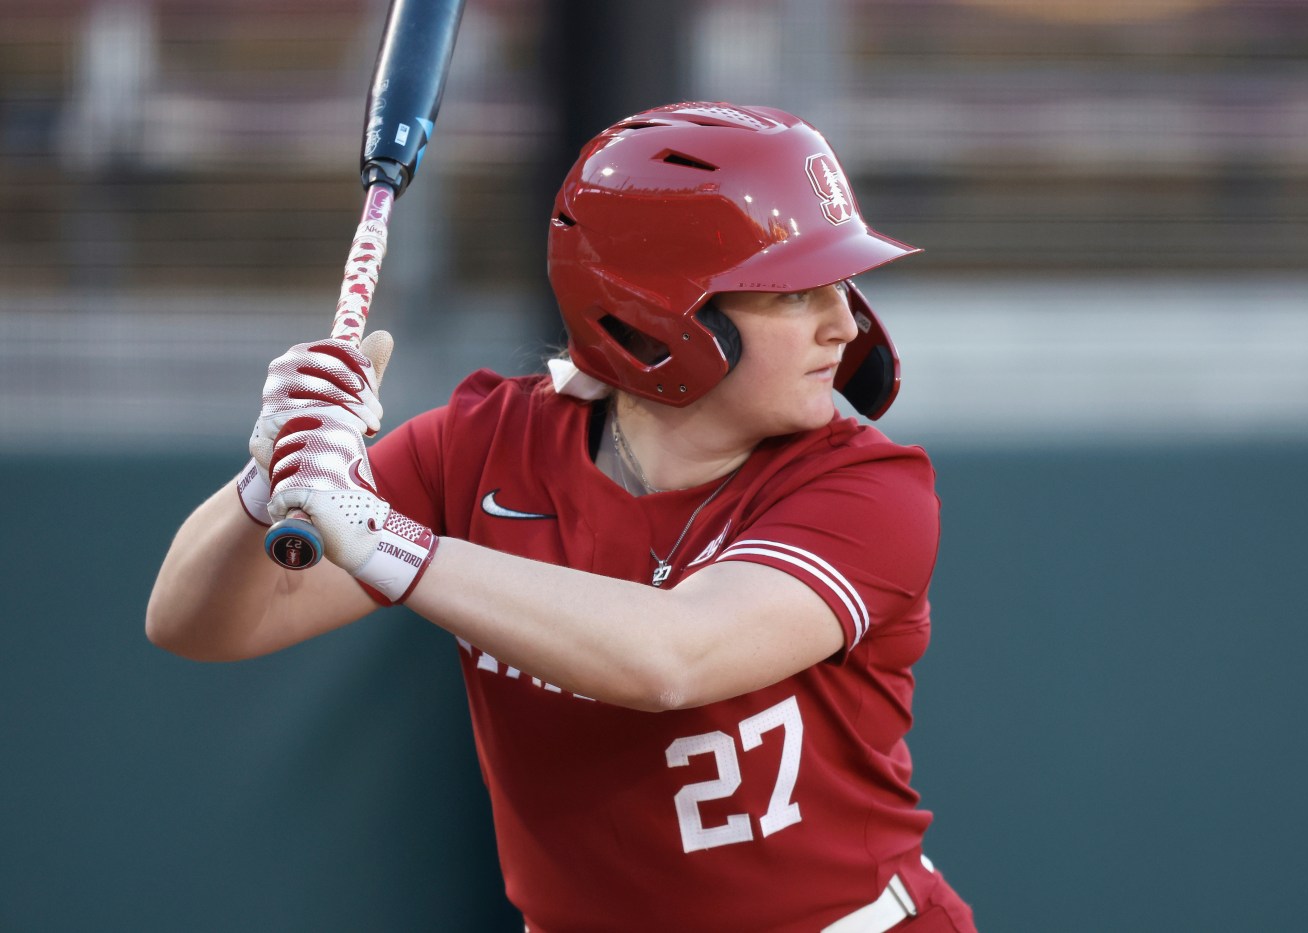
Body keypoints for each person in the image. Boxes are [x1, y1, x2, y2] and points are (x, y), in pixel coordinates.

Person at [147, 101, 977, 933]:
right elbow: (196, 622)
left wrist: (384, 538)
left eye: (840, 285)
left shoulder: (869, 486)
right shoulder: (483, 445)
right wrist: (267, 480)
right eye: (796, 293)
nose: (843, 323)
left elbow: (671, 659)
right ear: (665, 310)